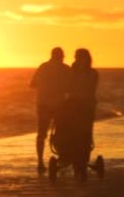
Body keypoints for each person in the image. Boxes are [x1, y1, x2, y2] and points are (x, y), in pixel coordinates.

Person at [29, 47, 70, 172]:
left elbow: (32, 84)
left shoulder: (43, 67)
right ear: (61, 56)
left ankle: (40, 162)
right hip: (59, 105)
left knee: (41, 134)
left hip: (43, 104)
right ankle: (62, 157)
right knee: (61, 132)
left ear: (51, 55)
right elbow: (71, 87)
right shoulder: (65, 68)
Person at [65, 49, 98, 181]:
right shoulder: (74, 72)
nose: (78, 60)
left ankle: (82, 163)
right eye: (77, 58)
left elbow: (89, 89)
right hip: (75, 107)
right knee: (75, 135)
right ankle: (76, 163)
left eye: (80, 57)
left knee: (85, 135)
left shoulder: (92, 73)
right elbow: (67, 87)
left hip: (87, 107)